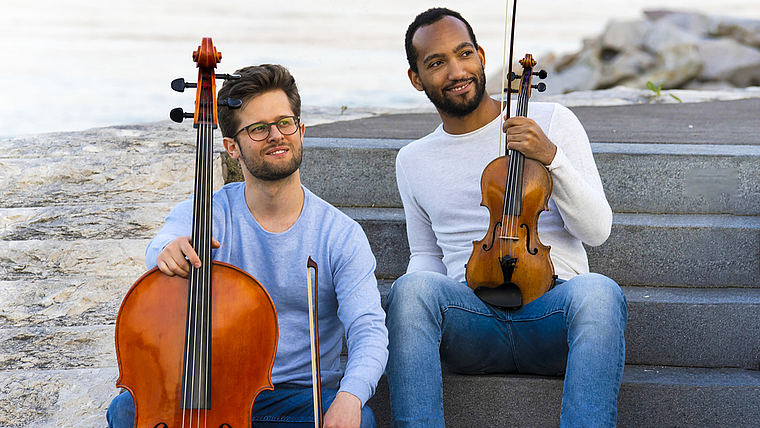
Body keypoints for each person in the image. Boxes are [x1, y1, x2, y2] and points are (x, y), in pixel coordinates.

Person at [106, 64, 388, 428]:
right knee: (127, 410)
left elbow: (368, 328)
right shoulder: (211, 212)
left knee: (360, 420)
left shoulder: (340, 234)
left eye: (284, 123)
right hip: (213, 393)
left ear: (300, 130)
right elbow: (164, 241)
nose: (275, 135)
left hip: (298, 401)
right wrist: (167, 250)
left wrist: (351, 396)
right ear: (231, 147)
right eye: (257, 128)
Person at [385, 7, 627, 428]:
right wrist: (411, 305)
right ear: (416, 78)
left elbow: (597, 231)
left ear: (481, 55)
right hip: (473, 322)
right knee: (410, 288)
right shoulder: (413, 160)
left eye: (463, 54)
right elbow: (425, 256)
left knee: (600, 293)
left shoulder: (551, 121)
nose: (456, 71)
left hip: (552, 312)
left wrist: (551, 157)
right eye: (436, 63)